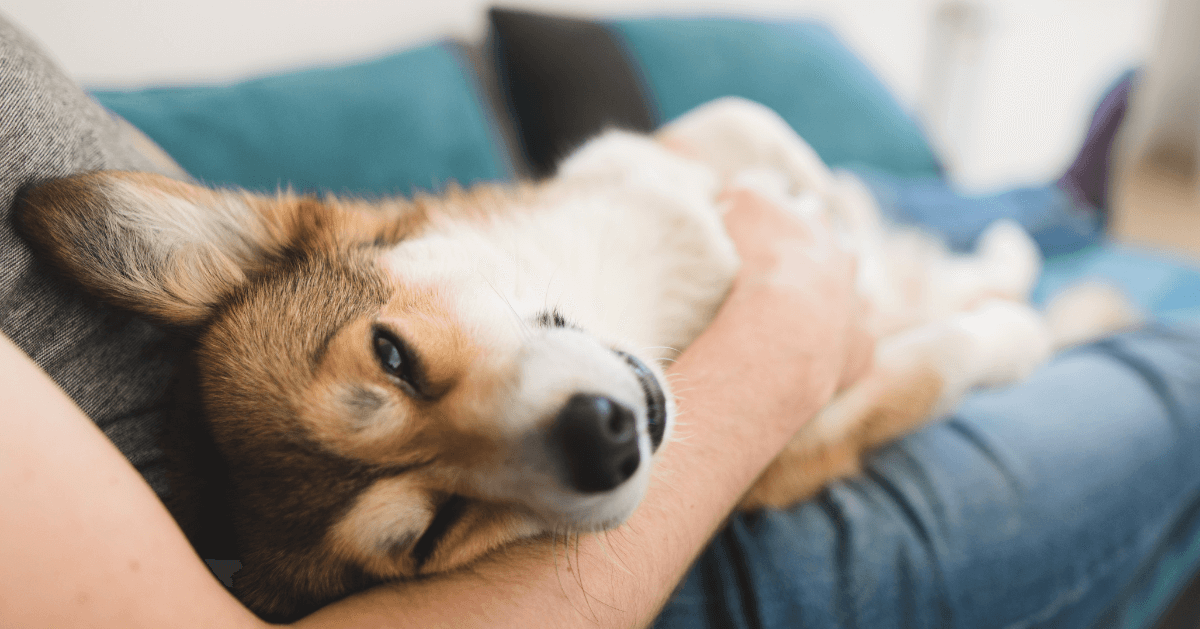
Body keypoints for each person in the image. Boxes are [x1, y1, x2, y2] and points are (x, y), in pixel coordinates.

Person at [3, 13, 1200, 629]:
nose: (543, 437)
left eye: (404, 363)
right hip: (654, 557)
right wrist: (785, 349)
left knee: (896, 204)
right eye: (433, 522)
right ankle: (1045, 258)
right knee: (1173, 362)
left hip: (625, 281)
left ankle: (1048, 209)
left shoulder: (317, 266)